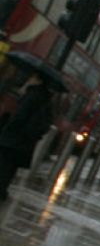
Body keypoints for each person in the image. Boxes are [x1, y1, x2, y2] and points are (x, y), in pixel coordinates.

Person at [0, 73, 55, 201]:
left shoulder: (32, 94)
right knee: (11, 166)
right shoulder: (46, 97)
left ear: (38, 80)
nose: (29, 79)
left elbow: (20, 116)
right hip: (26, 140)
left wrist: (8, 128)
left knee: (4, 163)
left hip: (15, 136)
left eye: (32, 77)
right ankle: (3, 190)